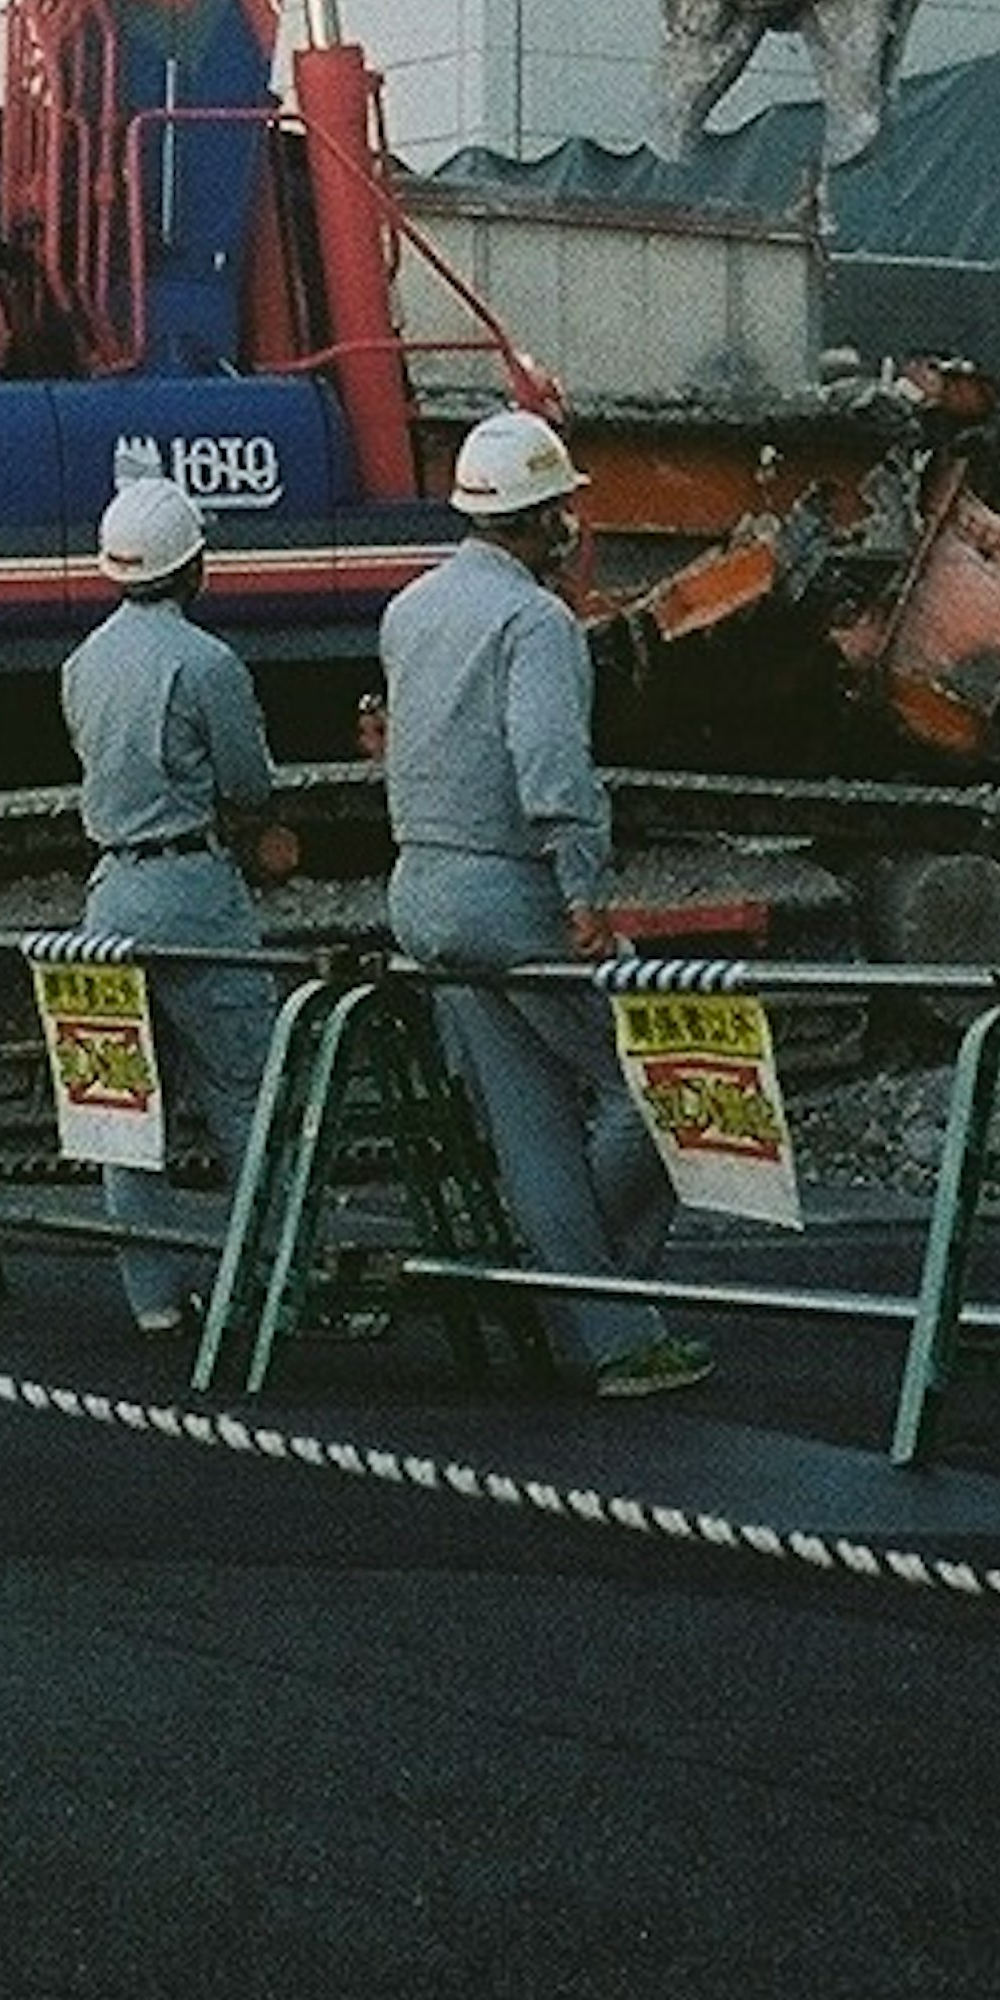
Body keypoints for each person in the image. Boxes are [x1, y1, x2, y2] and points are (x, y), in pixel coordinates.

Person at [378, 411, 711, 1403]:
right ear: (546, 518)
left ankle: (600, 1324)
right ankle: (599, 1295)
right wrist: (585, 892)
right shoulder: (535, 621)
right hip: (507, 889)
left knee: (528, 1125)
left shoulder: (411, 608)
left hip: (422, 891)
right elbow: (552, 767)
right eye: (562, 507)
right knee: (656, 1090)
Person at [61, 469, 299, 1337]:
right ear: (192, 567)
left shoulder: (82, 663)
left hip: (110, 894)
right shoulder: (207, 663)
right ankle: (269, 1285)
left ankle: (155, 1299)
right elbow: (248, 787)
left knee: (125, 1108)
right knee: (247, 1092)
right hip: (192, 889)